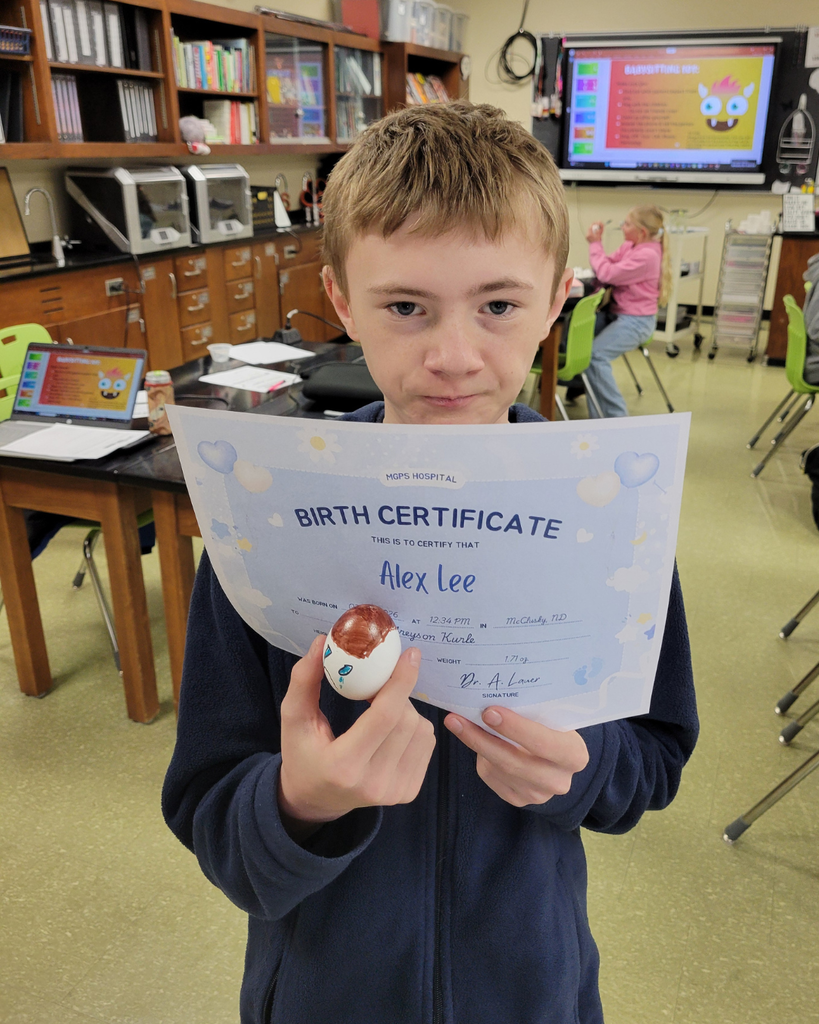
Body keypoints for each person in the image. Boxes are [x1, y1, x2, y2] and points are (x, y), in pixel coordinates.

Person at [162, 103, 698, 1024]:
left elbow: (652, 759)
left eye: (498, 305)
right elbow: (211, 806)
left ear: (556, 297)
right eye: (405, 307)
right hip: (325, 994)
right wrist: (298, 801)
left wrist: (581, 767)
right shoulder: (267, 521)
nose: (453, 357)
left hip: (530, 987)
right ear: (340, 300)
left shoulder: (607, 520)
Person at [582, 206, 671, 417]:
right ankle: (592, 410)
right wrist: (598, 247)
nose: (623, 226)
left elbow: (606, 273)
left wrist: (595, 244)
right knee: (575, 339)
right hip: (619, 315)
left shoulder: (648, 255)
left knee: (595, 356)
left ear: (641, 231)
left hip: (636, 322)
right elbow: (607, 265)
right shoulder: (631, 246)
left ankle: (616, 418)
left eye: (628, 223)